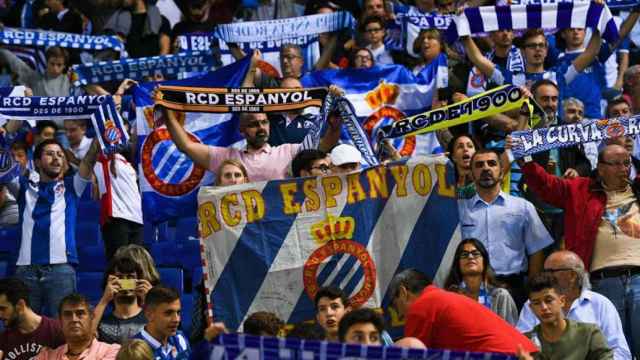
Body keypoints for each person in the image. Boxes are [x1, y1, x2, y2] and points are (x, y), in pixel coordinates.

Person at [520, 144, 640, 356]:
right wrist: (524, 156)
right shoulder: (580, 189)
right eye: (617, 164)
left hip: (639, 277)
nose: (624, 168)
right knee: (613, 350)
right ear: (600, 167)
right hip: (603, 282)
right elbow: (545, 184)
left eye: (627, 163)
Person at [4, 138, 99, 317]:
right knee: (25, 329)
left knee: (63, 328)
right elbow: (4, 164)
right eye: (50, 154)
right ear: (37, 161)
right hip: (26, 269)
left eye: (60, 155)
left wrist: (104, 122)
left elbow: (89, 159)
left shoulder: (72, 186)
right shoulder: (23, 186)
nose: (56, 158)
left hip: (61, 269)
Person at [459, 149, 554, 308]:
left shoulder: (522, 207)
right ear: (472, 173)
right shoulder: (460, 210)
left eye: (492, 163)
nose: (486, 168)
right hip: (472, 288)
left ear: (501, 172)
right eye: (479, 165)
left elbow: (536, 251)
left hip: (514, 287)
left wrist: (531, 291)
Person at [162, 103, 342, 181]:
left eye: (264, 122)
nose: (261, 128)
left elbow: (324, 147)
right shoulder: (228, 158)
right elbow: (185, 146)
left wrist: (334, 127)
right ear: (242, 130)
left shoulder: (288, 151)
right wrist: (168, 114)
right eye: (254, 124)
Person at [388, 269, 538, 355]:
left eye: (397, 306)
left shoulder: (421, 306)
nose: (401, 315)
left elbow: (412, 355)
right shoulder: (444, 299)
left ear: (403, 292)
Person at [517, 251, 631, 360]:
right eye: (544, 271)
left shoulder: (600, 304)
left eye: (551, 271)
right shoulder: (530, 304)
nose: (543, 307)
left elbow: (620, 351)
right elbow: (521, 345)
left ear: (572, 275)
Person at [521, 273, 613, 360]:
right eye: (537, 303)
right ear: (531, 308)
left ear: (562, 301)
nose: (544, 307)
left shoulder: (589, 334)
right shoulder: (525, 342)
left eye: (548, 300)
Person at [444, 238, 519, 325]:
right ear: (458, 264)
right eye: (464, 255)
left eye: (475, 254)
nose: (470, 257)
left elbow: (510, 333)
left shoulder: (500, 296)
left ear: (485, 261)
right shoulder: (450, 297)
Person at [35, 293, 121, 359]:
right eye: (67, 315)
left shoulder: (112, 351)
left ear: (91, 318)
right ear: (60, 322)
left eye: (80, 313)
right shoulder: (47, 356)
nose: (74, 319)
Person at [94, 149, 144, 260]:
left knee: (136, 265)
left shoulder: (130, 166)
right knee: (118, 265)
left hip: (136, 219)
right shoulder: (105, 159)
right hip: (116, 218)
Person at [0, 278, 65, 360]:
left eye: (3, 309)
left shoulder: (56, 331)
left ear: (20, 305)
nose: (0, 314)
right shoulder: (3, 340)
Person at [95, 257, 149, 345]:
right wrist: (104, 300)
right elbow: (86, 338)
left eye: (130, 277)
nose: (125, 282)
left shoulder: (151, 318)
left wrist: (152, 301)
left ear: (140, 281)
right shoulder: (101, 322)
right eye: (120, 277)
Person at [133, 286, 190, 360]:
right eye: (168, 313)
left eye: (178, 313)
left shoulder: (180, 338)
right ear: (149, 315)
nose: (176, 319)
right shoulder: (134, 351)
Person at [103, 0, 171, 58]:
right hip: (127, 68)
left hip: (152, 69)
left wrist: (158, 69)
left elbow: (164, 49)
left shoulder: (160, 20)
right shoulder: (117, 21)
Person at [0, 46, 71, 97]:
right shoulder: (34, 77)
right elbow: (11, 58)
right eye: (52, 64)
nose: (55, 68)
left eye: (59, 65)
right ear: (46, 62)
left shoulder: (70, 80)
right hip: (36, 117)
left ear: (64, 65)